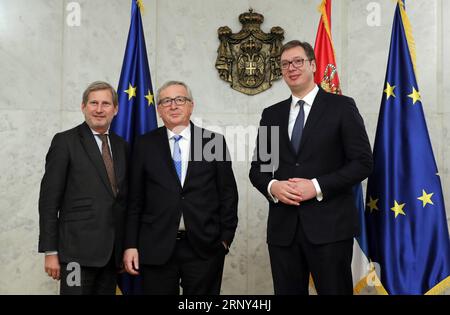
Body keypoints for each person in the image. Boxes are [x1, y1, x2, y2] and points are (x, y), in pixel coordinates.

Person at [249, 40, 373, 295]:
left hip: (330, 229)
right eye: (285, 64)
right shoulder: (272, 114)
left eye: (298, 61)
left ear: (313, 65)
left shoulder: (341, 107)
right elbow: (259, 168)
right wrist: (274, 186)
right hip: (283, 230)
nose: (291, 68)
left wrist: (315, 186)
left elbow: (362, 163)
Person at [123, 81, 238, 295]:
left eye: (180, 100)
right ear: (158, 109)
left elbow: (228, 194)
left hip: (204, 248)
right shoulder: (144, 145)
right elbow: (134, 200)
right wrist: (130, 245)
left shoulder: (213, 142)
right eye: (166, 101)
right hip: (156, 247)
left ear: (191, 105)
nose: (173, 105)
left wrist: (225, 239)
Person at [38, 81, 128, 294]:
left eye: (105, 104)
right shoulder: (65, 142)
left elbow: (122, 199)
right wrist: (50, 251)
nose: (99, 109)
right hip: (74, 256)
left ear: (115, 110)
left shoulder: (122, 145)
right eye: (93, 103)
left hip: (111, 256)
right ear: (83, 107)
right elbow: (49, 201)